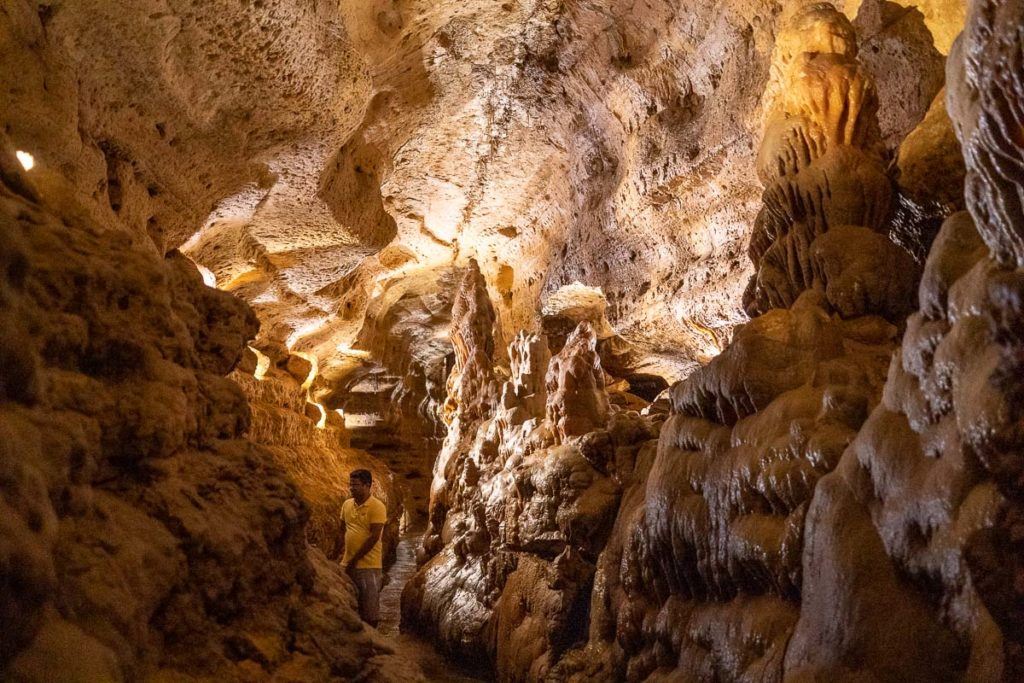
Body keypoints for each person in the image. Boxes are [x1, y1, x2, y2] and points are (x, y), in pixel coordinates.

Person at [340, 469, 387, 627]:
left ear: (368, 485)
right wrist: (345, 556)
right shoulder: (346, 505)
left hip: (369, 566)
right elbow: (342, 529)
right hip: (347, 563)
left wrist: (354, 560)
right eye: (350, 485)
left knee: (370, 611)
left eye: (356, 485)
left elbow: (374, 537)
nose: (352, 488)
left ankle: (372, 642)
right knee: (347, 607)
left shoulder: (377, 506)